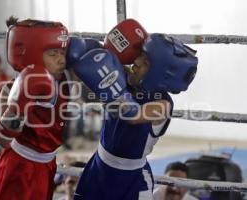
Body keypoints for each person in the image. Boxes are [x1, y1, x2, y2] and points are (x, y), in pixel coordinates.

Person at [70, 19, 198, 200]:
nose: (136, 61)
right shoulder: (122, 77)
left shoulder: (163, 105)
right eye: (140, 55)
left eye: (145, 62)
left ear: (158, 74)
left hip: (131, 180)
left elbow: (133, 115)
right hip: (98, 168)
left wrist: (111, 85)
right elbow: (84, 83)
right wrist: (86, 53)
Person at [0, 17, 70, 200]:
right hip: (19, 166)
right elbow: (2, 140)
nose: (61, 60)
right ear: (32, 54)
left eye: (62, 52)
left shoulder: (66, 78)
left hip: (48, 164)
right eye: (53, 54)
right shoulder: (11, 89)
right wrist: (17, 107)